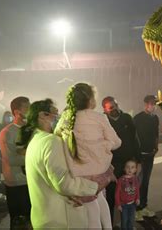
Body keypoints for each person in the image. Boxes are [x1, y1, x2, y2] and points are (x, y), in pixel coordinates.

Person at [18, 99, 113, 228]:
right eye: (55, 113)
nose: (60, 118)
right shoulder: (51, 142)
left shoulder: (36, 140)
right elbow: (65, 184)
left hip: (46, 218)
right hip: (61, 221)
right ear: (42, 115)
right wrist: (97, 185)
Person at [55, 83, 122, 229]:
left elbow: (57, 141)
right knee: (96, 205)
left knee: (94, 205)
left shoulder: (65, 118)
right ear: (91, 100)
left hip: (77, 174)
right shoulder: (99, 118)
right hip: (98, 173)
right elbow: (117, 142)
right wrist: (104, 146)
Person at [102, 96, 140, 225]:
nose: (115, 109)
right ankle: (111, 224)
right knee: (112, 195)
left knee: (129, 194)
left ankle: (126, 224)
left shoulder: (127, 118)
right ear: (105, 109)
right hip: (112, 164)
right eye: (111, 107)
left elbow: (135, 139)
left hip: (128, 163)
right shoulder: (103, 121)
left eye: (116, 105)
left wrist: (138, 161)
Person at [0, 96, 31, 228]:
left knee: (31, 219)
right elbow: (12, 159)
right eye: (27, 108)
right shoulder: (7, 133)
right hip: (16, 183)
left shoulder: (31, 130)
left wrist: (24, 152)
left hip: (31, 181)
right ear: (17, 112)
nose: (30, 111)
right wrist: (33, 156)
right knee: (19, 222)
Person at [133, 94, 159, 219]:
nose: (152, 106)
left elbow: (155, 134)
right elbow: (133, 137)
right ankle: (136, 209)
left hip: (150, 155)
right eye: (149, 103)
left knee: (146, 182)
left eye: (154, 104)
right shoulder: (137, 118)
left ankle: (143, 206)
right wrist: (136, 155)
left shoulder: (155, 118)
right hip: (140, 156)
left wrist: (156, 146)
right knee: (138, 182)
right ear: (145, 104)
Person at [115, 159, 140, 230]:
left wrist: (137, 198)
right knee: (124, 220)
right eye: (127, 167)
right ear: (124, 168)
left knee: (131, 220)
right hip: (123, 205)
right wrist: (118, 204)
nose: (130, 169)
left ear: (135, 169)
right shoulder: (121, 180)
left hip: (133, 204)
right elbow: (117, 193)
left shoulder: (135, 179)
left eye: (132, 167)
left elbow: (137, 189)